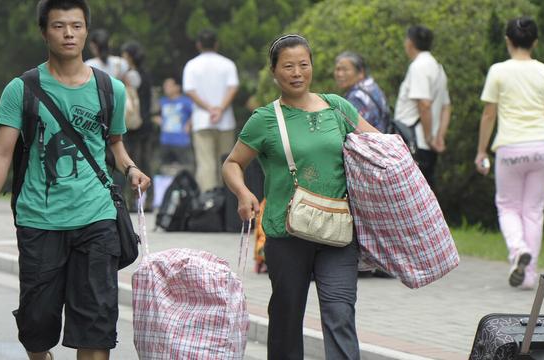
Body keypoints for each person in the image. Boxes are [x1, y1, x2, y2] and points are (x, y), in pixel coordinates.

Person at [0, 1, 151, 360]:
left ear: (86, 30)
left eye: (77, 26)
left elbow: (113, 143)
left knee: (97, 325)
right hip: (40, 218)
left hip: (97, 218)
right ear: (43, 31)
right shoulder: (21, 89)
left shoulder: (108, 88)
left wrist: (130, 168)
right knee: (36, 327)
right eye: (59, 26)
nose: (69, 34)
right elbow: (1, 152)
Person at [222, 34, 378, 360]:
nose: (297, 73)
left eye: (303, 65)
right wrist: (243, 193)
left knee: (340, 315)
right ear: (274, 72)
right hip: (286, 232)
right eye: (288, 66)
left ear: (312, 67)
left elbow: (378, 146)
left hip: (337, 232)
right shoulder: (264, 119)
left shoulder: (338, 107)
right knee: (286, 318)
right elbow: (233, 163)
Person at [475, 16, 544, 290]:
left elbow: (489, 114)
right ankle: (529, 276)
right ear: (535, 42)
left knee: (508, 206)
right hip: (543, 147)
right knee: (533, 211)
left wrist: (481, 151)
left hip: (510, 148)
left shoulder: (498, 71)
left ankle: (518, 250)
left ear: (508, 41)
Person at [394, 25, 451, 190]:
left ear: (410, 43)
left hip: (415, 143)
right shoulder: (438, 68)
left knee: (413, 196)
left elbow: (424, 104)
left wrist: (428, 137)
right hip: (428, 145)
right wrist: (439, 136)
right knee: (427, 194)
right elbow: (446, 107)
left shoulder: (419, 66)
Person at [183, 29, 239, 192]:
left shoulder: (192, 65)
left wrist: (209, 108)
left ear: (198, 45)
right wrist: (220, 109)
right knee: (227, 162)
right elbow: (233, 87)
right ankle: (228, 199)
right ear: (216, 44)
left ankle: (208, 201)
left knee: (206, 164)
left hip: (202, 120)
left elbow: (189, 90)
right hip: (225, 120)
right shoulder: (228, 64)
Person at [121, 41, 154, 210]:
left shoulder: (131, 75)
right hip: (146, 123)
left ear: (130, 56)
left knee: (130, 163)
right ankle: (149, 200)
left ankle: (130, 199)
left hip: (134, 124)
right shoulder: (146, 74)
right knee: (146, 162)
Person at [335, 51, 390, 133]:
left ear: (361, 72)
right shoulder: (371, 85)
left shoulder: (357, 97)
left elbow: (351, 131)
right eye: (338, 69)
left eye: (345, 70)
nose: (339, 74)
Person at [154, 76, 194, 172]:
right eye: (165, 86)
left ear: (177, 87)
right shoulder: (162, 101)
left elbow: (195, 114)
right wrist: (157, 120)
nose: (166, 88)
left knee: (187, 168)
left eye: (169, 86)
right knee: (161, 168)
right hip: (165, 140)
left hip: (182, 140)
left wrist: (189, 124)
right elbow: (153, 114)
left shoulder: (186, 101)